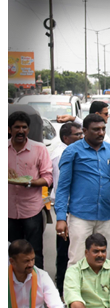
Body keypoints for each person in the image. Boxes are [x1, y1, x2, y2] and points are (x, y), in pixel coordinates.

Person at [55, 114, 110, 267]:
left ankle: (100, 291)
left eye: (103, 129)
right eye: (96, 129)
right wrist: (60, 217)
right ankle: (74, 291)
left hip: (105, 215)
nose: (101, 133)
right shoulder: (72, 151)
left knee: (102, 262)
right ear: (85, 131)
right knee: (78, 261)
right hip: (81, 215)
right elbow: (63, 187)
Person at [8, 111, 53, 269]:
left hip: (32, 211)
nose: (21, 131)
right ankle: (13, 288)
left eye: (24, 127)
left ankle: (37, 286)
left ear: (28, 129)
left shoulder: (39, 149)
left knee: (35, 251)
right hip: (8, 211)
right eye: (17, 127)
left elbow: (48, 178)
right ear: (9, 129)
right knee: (11, 252)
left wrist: (29, 183)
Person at [50, 122, 83, 295]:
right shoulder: (62, 153)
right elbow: (60, 186)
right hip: (67, 208)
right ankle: (63, 290)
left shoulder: (73, 150)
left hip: (72, 207)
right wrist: (63, 216)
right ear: (66, 138)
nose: (81, 137)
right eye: (77, 135)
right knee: (66, 251)